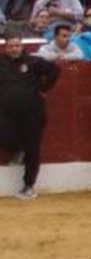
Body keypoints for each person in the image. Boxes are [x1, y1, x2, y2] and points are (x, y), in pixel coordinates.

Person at [0, 32, 60, 199]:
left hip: (32, 113)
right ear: (6, 47)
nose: (14, 49)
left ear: (22, 46)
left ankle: (28, 185)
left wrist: (44, 88)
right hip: (6, 114)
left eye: (17, 45)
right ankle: (18, 149)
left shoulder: (33, 62)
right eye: (11, 46)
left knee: (33, 149)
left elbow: (55, 71)